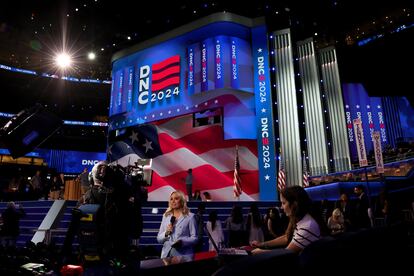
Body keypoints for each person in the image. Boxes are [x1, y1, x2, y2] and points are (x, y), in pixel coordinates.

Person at [250, 186, 320, 254]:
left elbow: (287, 253)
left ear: (294, 204)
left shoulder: (307, 226)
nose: (281, 207)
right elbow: (287, 237)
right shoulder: (303, 220)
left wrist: (261, 252)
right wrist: (262, 244)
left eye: (283, 203)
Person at [157, 190, 198, 258]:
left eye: (176, 198)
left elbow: (195, 238)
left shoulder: (190, 217)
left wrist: (182, 242)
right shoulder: (166, 216)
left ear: (182, 201)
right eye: (171, 199)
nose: (173, 201)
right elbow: (159, 239)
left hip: (183, 255)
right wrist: (166, 233)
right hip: (167, 255)